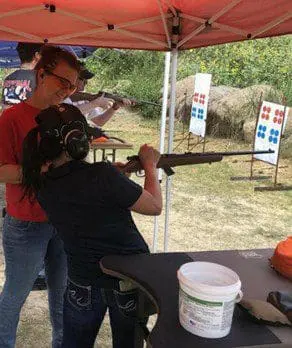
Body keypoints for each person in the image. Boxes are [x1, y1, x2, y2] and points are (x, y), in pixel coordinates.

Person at [21, 103, 162, 348]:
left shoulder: (43, 185)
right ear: (77, 141)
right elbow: (154, 207)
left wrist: (117, 180)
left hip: (82, 280)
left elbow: (87, 198)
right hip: (126, 278)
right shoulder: (103, 176)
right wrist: (150, 165)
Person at [0, 45, 80, 348]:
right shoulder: (12, 118)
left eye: (73, 84)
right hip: (25, 223)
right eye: (63, 81)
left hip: (62, 220)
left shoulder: (66, 116)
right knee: (16, 294)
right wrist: (42, 168)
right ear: (41, 74)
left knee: (62, 295)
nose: (68, 90)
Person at [64, 62, 132, 127]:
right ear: (71, 77)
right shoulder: (62, 95)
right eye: (82, 78)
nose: (86, 82)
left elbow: (99, 121)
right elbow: (69, 115)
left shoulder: (85, 97)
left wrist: (114, 107)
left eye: (86, 79)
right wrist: (94, 104)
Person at [1, 42, 43, 108]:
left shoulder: (9, 77)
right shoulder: (40, 78)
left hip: (10, 117)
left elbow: (5, 106)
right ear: (37, 55)